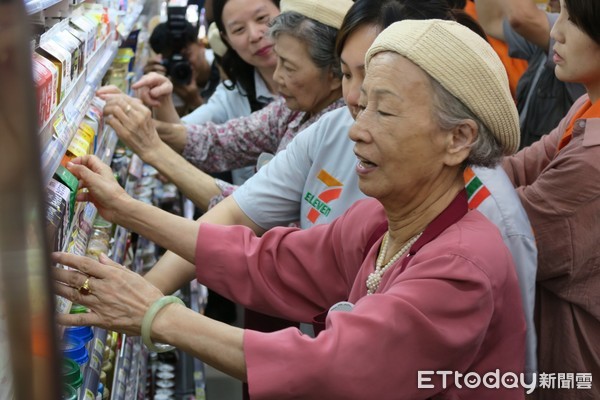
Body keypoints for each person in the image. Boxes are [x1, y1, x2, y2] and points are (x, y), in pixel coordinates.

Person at [55, 19, 526, 399]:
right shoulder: (383, 220)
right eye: (358, 107)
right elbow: (270, 261)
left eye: (383, 112)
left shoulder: (462, 266)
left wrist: (156, 314)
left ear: (458, 138)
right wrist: (123, 208)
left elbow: (339, 367)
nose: (356, 131)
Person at [100, 0, 349, 211]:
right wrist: (147, 123)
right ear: (225, 39)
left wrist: (152, 148)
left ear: (336, 72)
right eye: (238, 29)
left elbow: (254, 212)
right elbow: (220, 141)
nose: (277, 76)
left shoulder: (337, 134)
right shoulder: (293, 108)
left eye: (289, 67)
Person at [502, 0, 600, 398]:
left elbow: (509, 226)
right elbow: (520, 167)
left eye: (574, 21)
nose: (556, 31)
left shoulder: (592, 161)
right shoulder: (585, 106)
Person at [475, 0, 586, 148]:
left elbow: (521, 18)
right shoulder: (558, 35)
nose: (555, 34)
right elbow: (492, 21)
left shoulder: (575, 36)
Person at [144, 19, 221, 116]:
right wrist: (152, 93)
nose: (180, 65)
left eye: (186, 55)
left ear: (200, 45)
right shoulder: (172, 79)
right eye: (173, 61)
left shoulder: (223, 68)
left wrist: (195, 101)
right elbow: (169, 128)